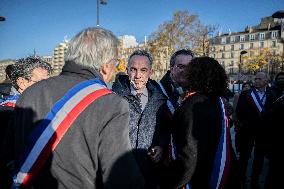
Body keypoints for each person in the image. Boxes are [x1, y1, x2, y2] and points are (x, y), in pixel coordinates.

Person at [10, 27, 144, 188]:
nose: (115, 69)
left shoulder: (30, 93)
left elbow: (11, 153)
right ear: (105, 65)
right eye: (115, 63)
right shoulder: (111, 104)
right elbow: (121, 176)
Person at [161, 57, 239, 189]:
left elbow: (189, 156)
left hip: (200, 178)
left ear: (197, 75)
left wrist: (171, 181)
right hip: (222, 173)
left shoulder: (192, 105)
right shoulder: (216, 101)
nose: (185, 73)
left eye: (190, 70)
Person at [112, 49, 170, 188]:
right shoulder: (112, 97)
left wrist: (161, 146)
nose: (138, 75)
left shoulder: (160, 99)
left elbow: (165, 127)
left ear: (150, 72)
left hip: (148, 171)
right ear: (127, 70)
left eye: (143, 70)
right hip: (119, 170)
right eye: (133, 69)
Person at [235, 72, 272, 188]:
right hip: (247, 131)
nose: (256, 81)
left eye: (259, 79)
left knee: (259, 157)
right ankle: (241, 179)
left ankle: (254, 181)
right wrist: (242, 124)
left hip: (263, 133)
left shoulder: (272, 94)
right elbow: (239, 111)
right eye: (255, 79)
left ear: (266, 81)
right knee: (244, 157)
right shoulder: (246, 94)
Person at [262, 72, 284, 189]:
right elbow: (268, 109)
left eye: (283, 78)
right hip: (274, 130)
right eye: (279, 78)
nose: (281, 80)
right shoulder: (271, 91)